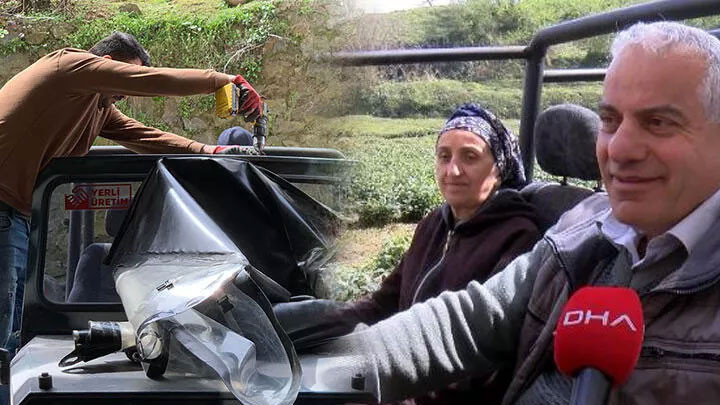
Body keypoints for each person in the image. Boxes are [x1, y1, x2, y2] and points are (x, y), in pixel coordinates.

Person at [333, 21, 720, 404]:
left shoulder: (516, 231)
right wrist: (327, 371)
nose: (618, 148)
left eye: (658, 123)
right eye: (609, 120)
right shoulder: (580, 231)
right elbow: (466, 323)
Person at [0, 32, 262, 358]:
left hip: (19, 216)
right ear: (107, 64)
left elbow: (145, 137)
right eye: (126, 77)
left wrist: (209, 151)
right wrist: (223, 81)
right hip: (3, 206)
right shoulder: (69, 66)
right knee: (3, 325)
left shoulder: (98, 107)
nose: (125, 94)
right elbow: (151, 81)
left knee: (14, 328)